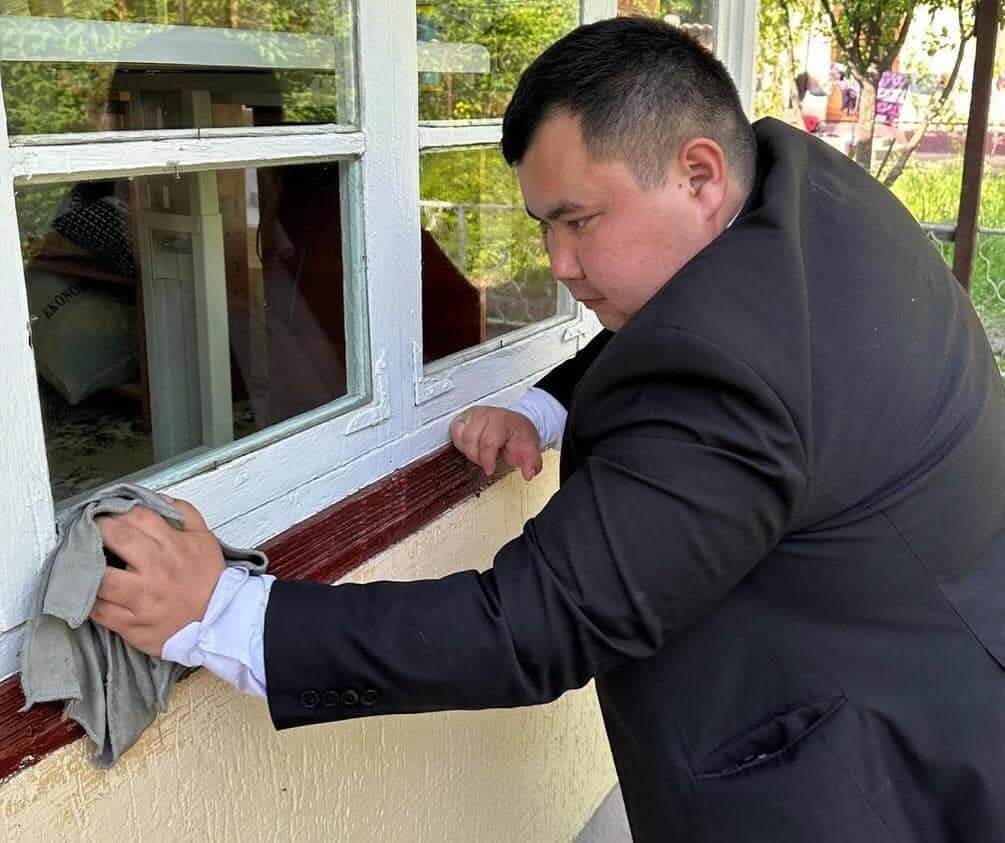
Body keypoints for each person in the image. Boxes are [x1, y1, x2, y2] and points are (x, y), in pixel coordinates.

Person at [88, 17, 1005, 841]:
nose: (559, 264)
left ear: (698, 173)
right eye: (542, 226)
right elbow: (690, 320)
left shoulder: (730, 375)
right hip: (944, 666)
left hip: (861, 783)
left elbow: (533, 624)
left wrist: (223, 612)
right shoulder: (796, 183)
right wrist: (546, 402)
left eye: (578, 221)